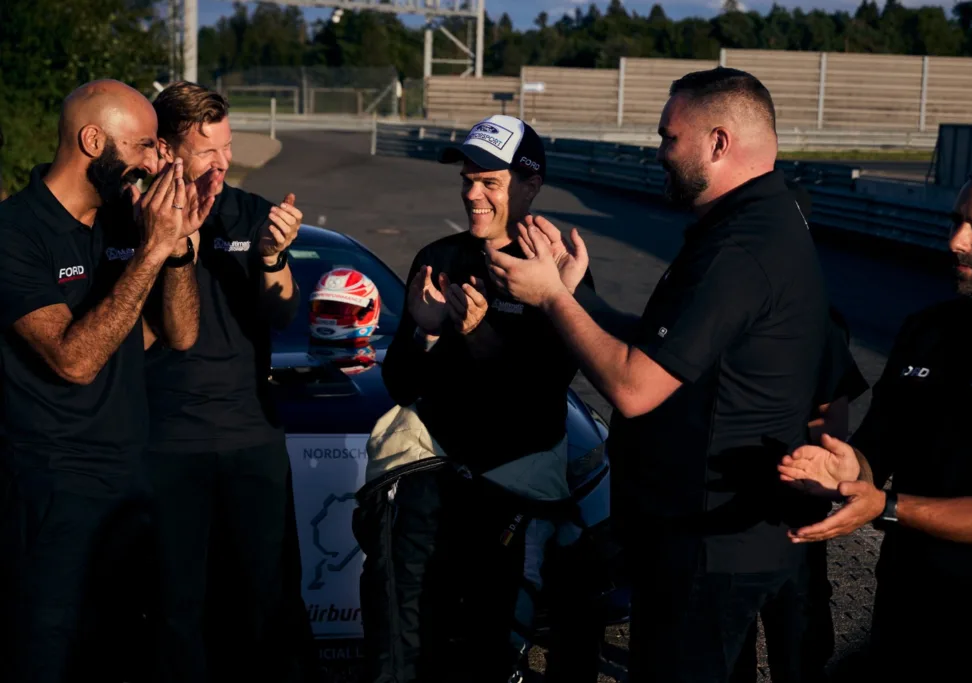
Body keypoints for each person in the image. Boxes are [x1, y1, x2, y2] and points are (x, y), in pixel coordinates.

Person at [487, 68, 831, 681]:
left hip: (706, 546)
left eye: (669, 138)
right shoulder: (755, 224)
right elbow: (672, 350)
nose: (659, 152)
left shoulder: (739, 248)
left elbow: (634, 387)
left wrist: (551, 301)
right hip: (714, 538)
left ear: (718, 143)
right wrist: (578, 296)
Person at [359, 114, 596, 683]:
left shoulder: (558, 269)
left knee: (485, 644)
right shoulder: (439, 256)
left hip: (508, 489)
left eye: (489, 182)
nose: (472, 193)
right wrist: (422, 333)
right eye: (468, 179)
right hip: (429, 476)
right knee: (402, 640)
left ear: (530, 185)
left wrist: (478, 334)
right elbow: (398, 384)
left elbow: (542, 390)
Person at [777, 158, 972, 682]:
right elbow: (876, 453)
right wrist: (844, 469)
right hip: (905, 610)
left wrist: (887, 507)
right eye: (956, 221)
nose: (956, 240)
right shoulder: (926, 330)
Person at [0, 79, 203, 683]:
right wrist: (149, 254)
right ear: (93, 140)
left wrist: (178, 249)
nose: (154, 160)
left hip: (130, 481)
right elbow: (73, 358)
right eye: (143, 145)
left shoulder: (123, 219)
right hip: (51, 489)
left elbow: (179, 334)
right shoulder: (15, 232)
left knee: (123, 657)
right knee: (48, 655)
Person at [141, 81, 314, 683]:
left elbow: (282, 314)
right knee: (175, 611)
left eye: (228, 146)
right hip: (166, 443)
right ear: (166, 151)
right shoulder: (136, 217)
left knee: (266, 602)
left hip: (251, 439)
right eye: (206, 149)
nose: (223, 162)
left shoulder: (251, 213)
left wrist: (271, 258)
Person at [729, 185, 870, 683]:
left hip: (792, 515)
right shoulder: (726, 302)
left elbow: (834, 423)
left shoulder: (820, 319)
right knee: (733, 647)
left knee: (800, 642)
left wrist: (803, 472)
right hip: (734, 511)